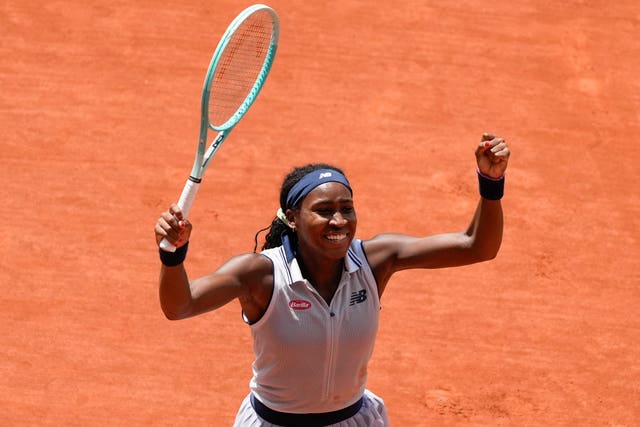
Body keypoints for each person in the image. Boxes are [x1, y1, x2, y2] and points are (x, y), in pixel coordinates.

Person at [154, 133, 511, 427]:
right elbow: (180, 306)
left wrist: (491, 183)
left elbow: (476, 247)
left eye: (347, 208)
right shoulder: (259, 274)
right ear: (293, 218)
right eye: (324, 211)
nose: (339, 221)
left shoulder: (376, 259)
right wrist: (173, 258)